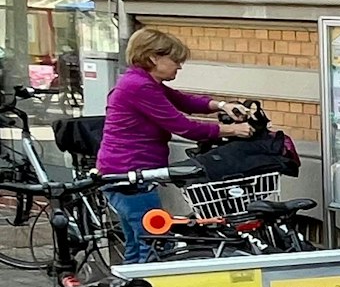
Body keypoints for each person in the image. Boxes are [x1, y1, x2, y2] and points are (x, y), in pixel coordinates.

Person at [96, 28, 253, 262]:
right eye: (175, 60)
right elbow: (183, 127)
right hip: (131, 177)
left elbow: (183, 101)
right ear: (153, 58)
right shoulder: (139, 86)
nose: (179, 66)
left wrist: (222, 105)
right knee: (153, 245)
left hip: (124, 173)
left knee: (137, 245)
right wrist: (233, 130)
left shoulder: (144, 82)